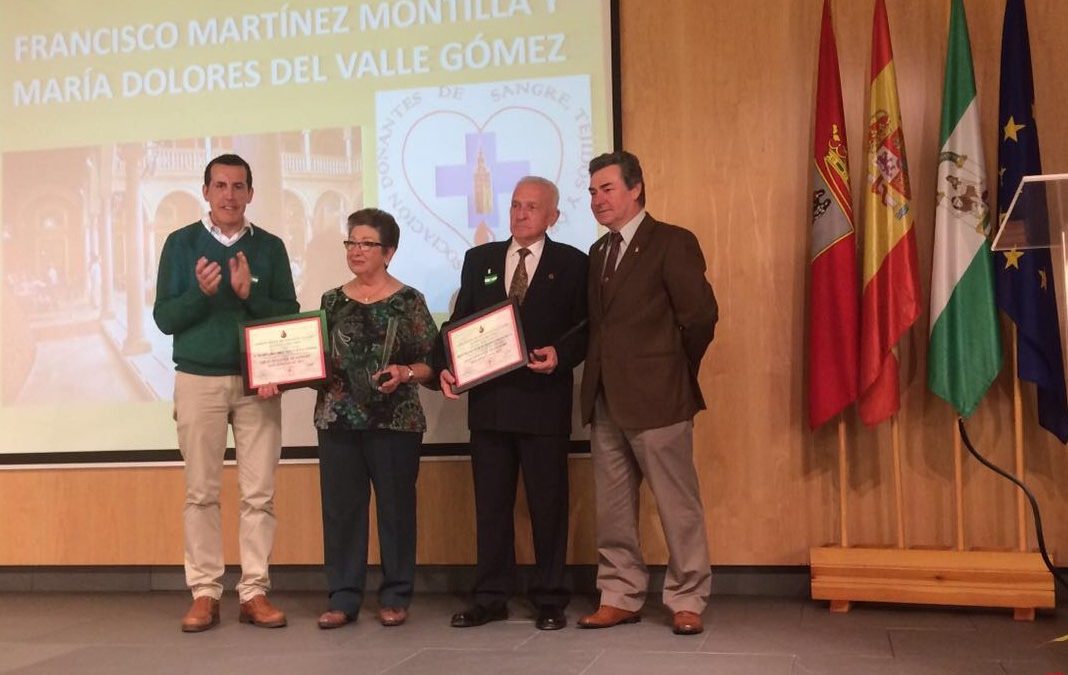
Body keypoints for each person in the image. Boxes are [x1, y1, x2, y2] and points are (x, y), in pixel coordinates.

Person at [153, 153, 299, 632]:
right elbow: (165, 318)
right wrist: (201, 293)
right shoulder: (180, 244)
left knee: (259, 493)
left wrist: (246, 293)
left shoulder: (271, 247)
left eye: (239, 187)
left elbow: (286, 313)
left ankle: (254, 592)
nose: (230, 196)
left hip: (259, 382)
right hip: (198, 379)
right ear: (206, 191)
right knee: (201, 492)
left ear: (251, 194)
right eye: (220, 186)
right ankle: (205, 592)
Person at [577, 151, 718, 636]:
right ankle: (619, 594)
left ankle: (687, 597)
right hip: (605, 400)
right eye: (592, 191)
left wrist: (673, 369)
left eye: (607, 188)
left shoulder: (671, 242)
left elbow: (700, 317)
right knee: (613, 508)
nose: (597, 199)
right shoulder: (598, 253)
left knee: (677, 504)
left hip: (660, 397)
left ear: (636, 188)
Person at [439, 176, 588, 631]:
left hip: (544, 403)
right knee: (491, 507)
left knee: (548, 506)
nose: (521, 213)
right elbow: (460, 322)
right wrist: (446, 363)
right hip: (490, 405)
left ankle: (549, 597)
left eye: (532, 207)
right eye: (516, 205)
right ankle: (490, 596)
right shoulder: (479, 259)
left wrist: (562, 355)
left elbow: (587, 326)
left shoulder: (573, 263)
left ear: (553, 216)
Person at [313, 208, 439, 629]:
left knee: (396, 510)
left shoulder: (409, 301)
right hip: (338, 421)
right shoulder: (331, 300)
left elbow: (432, 363)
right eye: (351, 242)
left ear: (389, 251)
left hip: (395, 422)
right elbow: (315, 362)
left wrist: (405, 372)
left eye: (367, 243)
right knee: (342, 512)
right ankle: (343, 597)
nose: (356, 250)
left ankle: (395, 594)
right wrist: (283, 374)